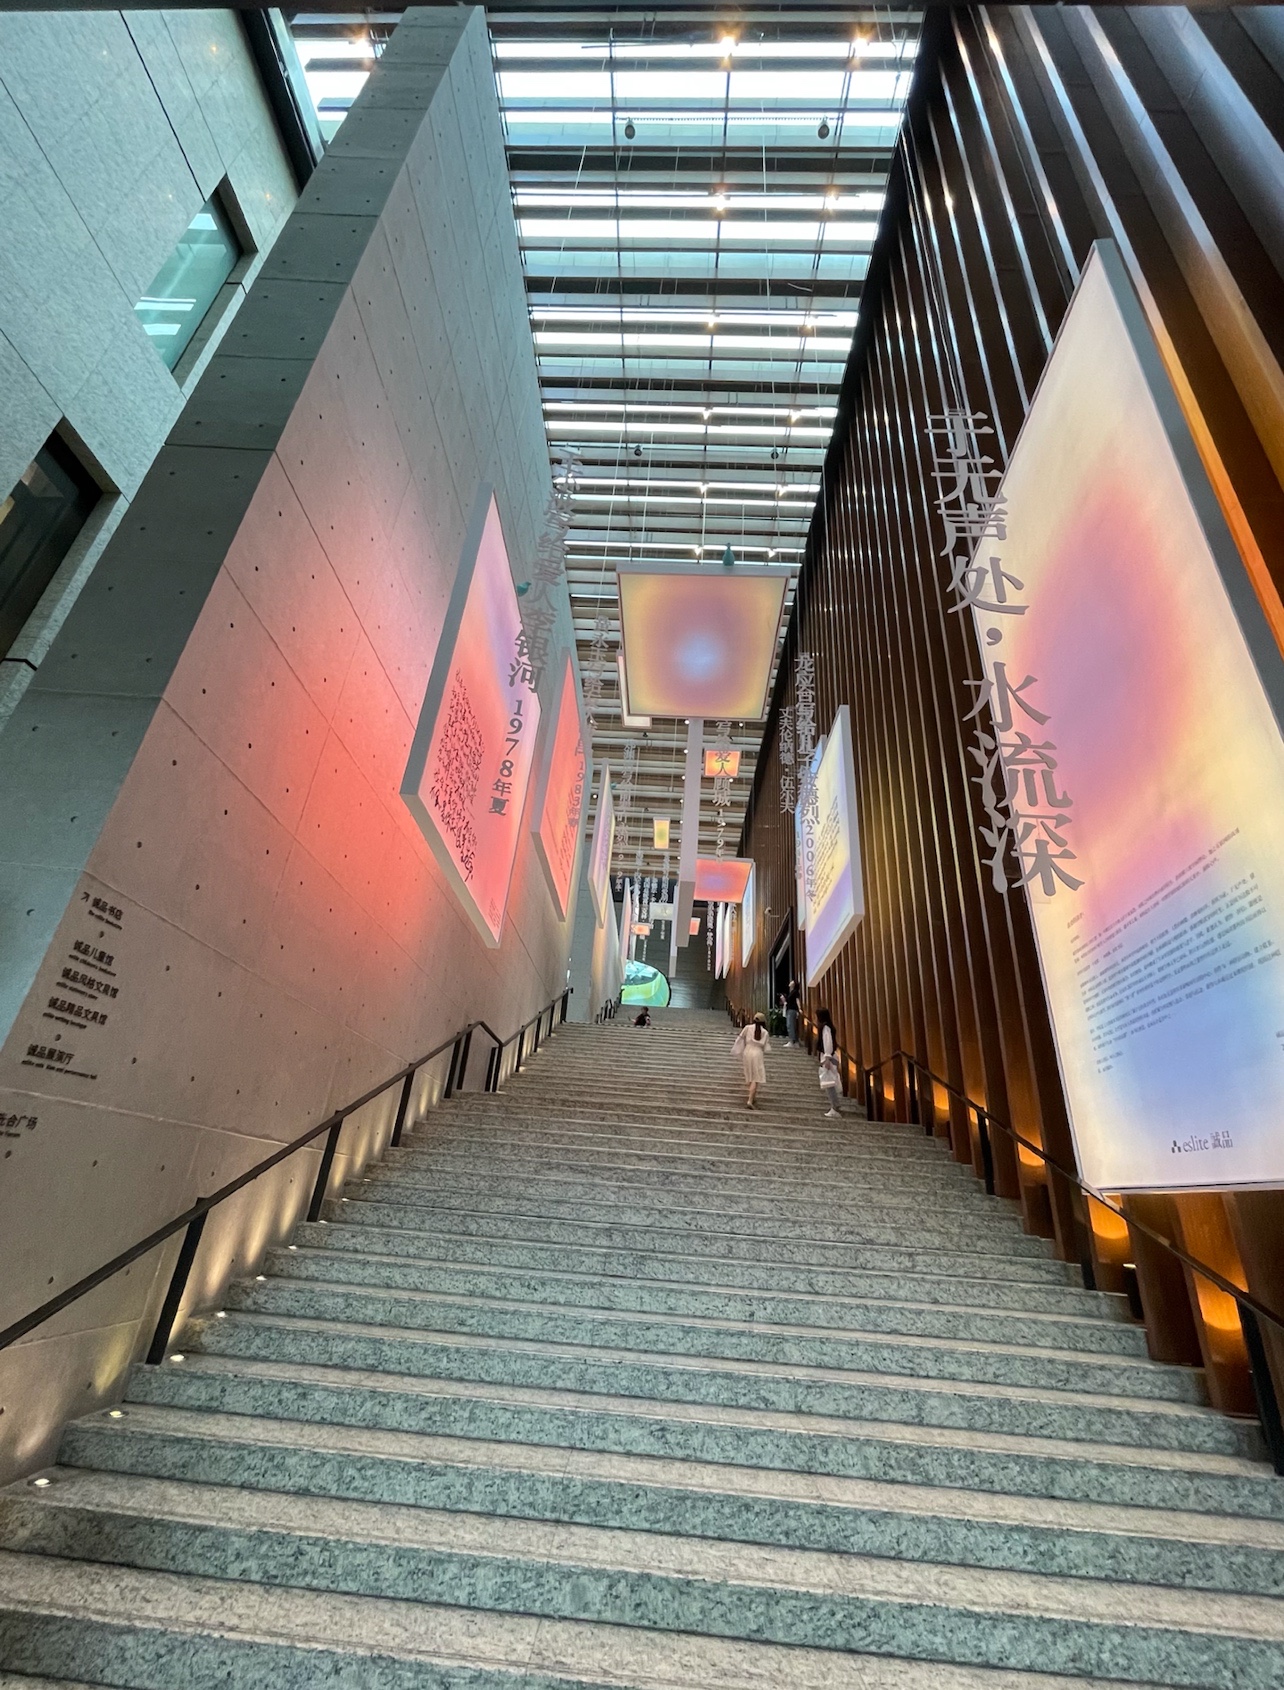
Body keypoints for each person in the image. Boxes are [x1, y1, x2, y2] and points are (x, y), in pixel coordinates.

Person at [732, 1012, 769, 1109]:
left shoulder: (747, 1028)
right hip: (757, 1052)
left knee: (749, 1074)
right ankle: (750, 1100)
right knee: (756, 1078)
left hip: (747, 1051)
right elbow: (765, 1047)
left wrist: (738, 1050)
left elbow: (739, 1039)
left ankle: (752, 1096)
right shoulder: (765, 1032)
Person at [816, 1006, 842, 1118]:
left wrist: (827, 1058)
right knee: (830, 1082)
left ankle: (835, 1107)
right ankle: (835, 1105)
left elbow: (828, 1042)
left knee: (829, 1083)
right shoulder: (829, 1027)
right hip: (831, 1057)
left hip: (829, 1058)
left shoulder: (825, 1028)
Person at [784, 980, 801, 1046]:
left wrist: (799, 1008)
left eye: (792, 982)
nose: (790, 982)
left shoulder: (795, 992)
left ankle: (792, 1041)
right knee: (792, 1025)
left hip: (792, 1010)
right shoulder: (791, 992)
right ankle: (795, 1041)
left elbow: (797, 1000)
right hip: (790, 1009)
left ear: (793, 984)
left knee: (790, 1025)